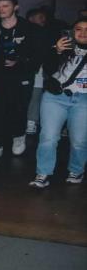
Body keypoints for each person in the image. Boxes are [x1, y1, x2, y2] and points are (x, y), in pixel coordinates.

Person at [0, 0, 45, 160]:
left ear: (16, 7)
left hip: (21, 75)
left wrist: (20, 61)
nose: (1, 10)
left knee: (19, 107)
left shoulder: (30, 29)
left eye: (5, 6)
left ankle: (18, 135)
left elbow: (38, 54)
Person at [29, 17, 87, 188]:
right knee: (48, 137)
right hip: (56, 97)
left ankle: (76, 170)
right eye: (79, 29)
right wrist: (56, 51)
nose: (83, 33)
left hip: (83, 99)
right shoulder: (63, 47)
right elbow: (47, 69)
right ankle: (43, 173)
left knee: (79, 140)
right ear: (72, 31)